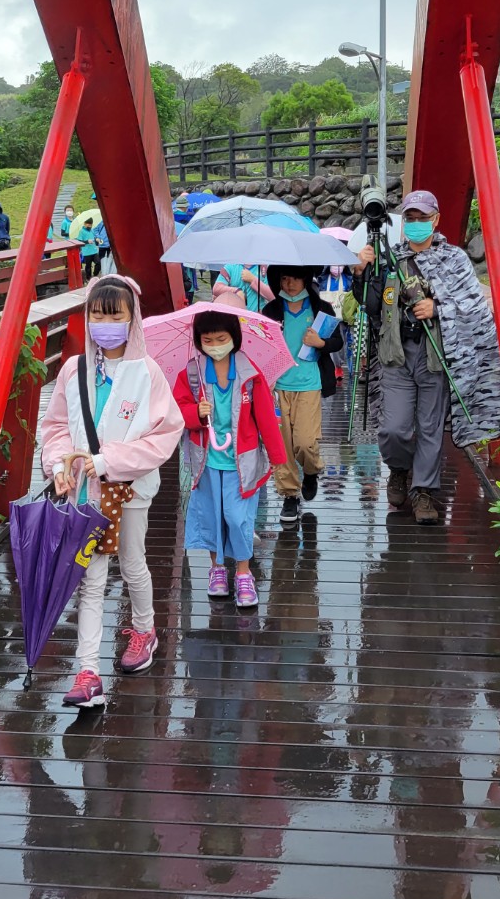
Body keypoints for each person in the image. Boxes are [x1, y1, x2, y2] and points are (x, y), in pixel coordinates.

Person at [39, 276, 184, 708]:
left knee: (133, 562)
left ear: (132, 317)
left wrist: (105, 462)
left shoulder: (148, 374)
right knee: (91, 576)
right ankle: (87, 671)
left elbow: (164, 436)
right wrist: (60, 464)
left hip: (130, 489)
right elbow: (56, 428)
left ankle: (145, 630)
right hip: (83, 493)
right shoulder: (73, 369)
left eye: (115, 314)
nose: (105, 322)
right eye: (97, 314)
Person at [353, 189, 500, 525]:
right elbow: (372, 306)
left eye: (424, 218)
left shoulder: (455, 260)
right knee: (394, 428)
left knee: (429, 426)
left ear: (436, 220)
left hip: (436, 355)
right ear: (402, 221)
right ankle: (398, 470)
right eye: (411, 218)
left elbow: (474, 309)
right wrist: (361, 273)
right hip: (396, 354)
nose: (417, 223)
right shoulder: (388, 258)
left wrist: (438, 308)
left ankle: (424, 491)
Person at [174, 308, 286, 610]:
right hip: (206, 462)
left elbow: (264, 415)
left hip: (243, 461)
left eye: (221, 338)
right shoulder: (192, 374)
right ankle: (217, 569)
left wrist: (276, 457)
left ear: (234, 338)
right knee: (211, 517)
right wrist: (194, 414)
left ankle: (243, 571)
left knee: (238, 519)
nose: (214, 344)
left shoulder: (250, 374)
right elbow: (177, 410)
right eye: (207, 339)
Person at [261, 265, 345, 523]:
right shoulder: (271, 310)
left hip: (309, 384)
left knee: (305, 442)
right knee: (282, 444)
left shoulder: (321, 309)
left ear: (306, 279)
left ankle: (311, 471)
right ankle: (289, 495)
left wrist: (320, 343)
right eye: (284, 279)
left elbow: (337, 341)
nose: (290, 284)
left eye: (295, 278)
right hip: (279, 387)